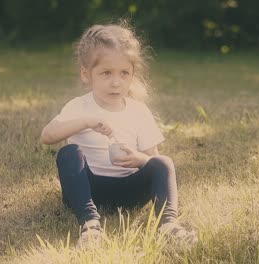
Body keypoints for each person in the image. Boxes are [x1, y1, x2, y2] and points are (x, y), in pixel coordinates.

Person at [40, 21, 197, 249]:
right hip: (89, 189)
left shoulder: (138, 111)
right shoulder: (79, 107)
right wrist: (85, 123)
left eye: (124, 73)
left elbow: (152, 158)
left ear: (132, 75)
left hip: (130, 190)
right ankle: (91, 225)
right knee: (68, 153)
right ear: (87, 74)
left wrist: (139, 159)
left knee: (164, 163)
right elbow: (47, 136)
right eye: (106, 73)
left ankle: (168, 226)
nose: (116, 82)